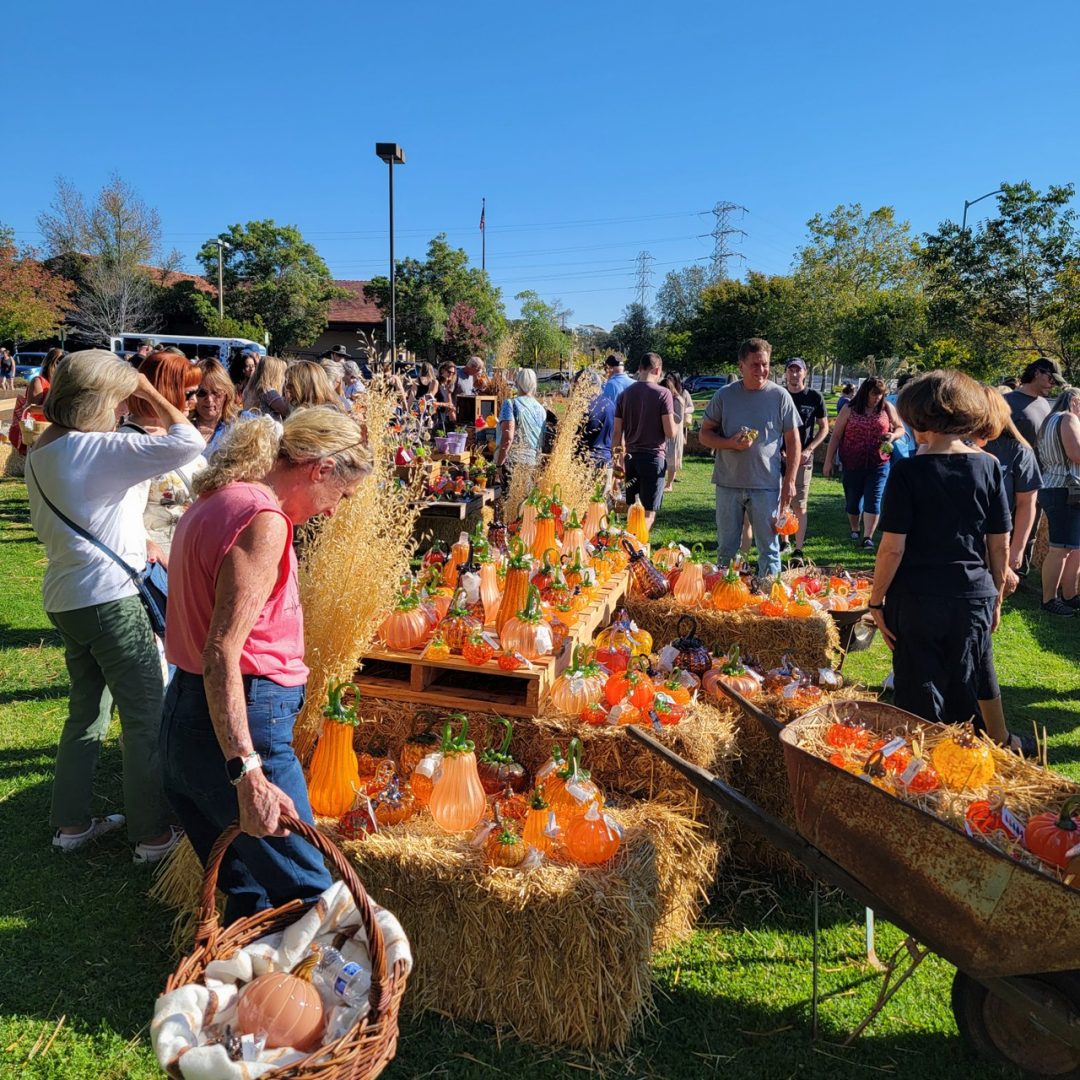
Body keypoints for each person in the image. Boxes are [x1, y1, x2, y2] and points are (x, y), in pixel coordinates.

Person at [161, 408, 373, 923]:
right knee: (316, 891)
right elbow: (222, 652)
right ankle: (347, 999)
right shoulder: (264, 520)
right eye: (340, 496)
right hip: (243, 722)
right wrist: (248, 770)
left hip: (188, 715)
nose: (332, 513)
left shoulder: (219, 497)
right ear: (319, 468)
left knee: (249, 886)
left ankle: (254, 997)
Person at [26, 350, 204, 860]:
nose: (125, 407)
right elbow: (188, 440)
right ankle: (152, 836)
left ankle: (71, 825)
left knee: (85, 713)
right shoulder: (95, 449)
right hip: (111, 599)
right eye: (120, 398)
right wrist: (149, 391)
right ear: (102, 398)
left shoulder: (43, 452)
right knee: (146, 714)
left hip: (67, 598)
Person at [867, 370, 1021, 744]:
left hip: (918, 598)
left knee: (918, 695)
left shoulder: (909, 471)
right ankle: (962, 767)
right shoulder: (988, 466)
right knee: (965, 688)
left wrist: (875, 600)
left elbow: (892, 547)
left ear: (918, 415)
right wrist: (996, 595)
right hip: (973, 595)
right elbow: (999, 544)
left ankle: (920, 774)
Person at [698, 339, 799, 576]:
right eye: (755, 365)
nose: (761, 370)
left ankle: (770, 598)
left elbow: (794, 441)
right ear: (741, 365)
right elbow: (704, 434)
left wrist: (791, 480)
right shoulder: (724, 396)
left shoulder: (780, 396)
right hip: (728, 484)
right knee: (726, 549)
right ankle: (727, 594)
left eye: (765, 364)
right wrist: (729, 443)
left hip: (766, 485)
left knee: (769, 549)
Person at [122, 349, 205, 557]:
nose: (194, 401)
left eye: (197, 392)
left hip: (191, 556)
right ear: (165, 392)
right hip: (159, 561)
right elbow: (126, 513)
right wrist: (148, 546)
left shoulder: (179, 434)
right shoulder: (133, 443)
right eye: (188, 394)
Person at [823, 376, 905, 550]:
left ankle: (868, 536)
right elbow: (836, 436)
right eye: (874, 394)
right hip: (852, 462)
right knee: (853, 501)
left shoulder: (886, 408)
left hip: (879, 462)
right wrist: (828, 461)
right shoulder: (849, 409)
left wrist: (893, 436)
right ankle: (855, 528)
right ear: (865, 392)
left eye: (881, 394)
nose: (877, 398)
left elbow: (900, 428)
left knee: (874, 499)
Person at [975, 388, 1041, 588]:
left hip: (996, 540)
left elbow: (1026, 503)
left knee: (1002, 588)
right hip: (959, 540)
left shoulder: (1019, 450)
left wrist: (1017, 549)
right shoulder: (956, 444)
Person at [612, 353, 678, 530]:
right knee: (648, 512)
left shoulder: (624, 394)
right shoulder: (663, 394)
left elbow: (617, 431)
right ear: (657, 369)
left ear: (640, 369)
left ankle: (626, 547)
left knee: (633, 509)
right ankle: (635, 548)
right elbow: (670, 432)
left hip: (631, 459)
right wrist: (678, 425)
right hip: (653, 458)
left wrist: (616, 458)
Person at [1035, 387, 1080, 616]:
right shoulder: (1068, 418)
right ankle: (1049, 599)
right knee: (1060, 549)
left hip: (1054, 486)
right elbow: (1077, 454)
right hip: (1065, 489)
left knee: (1072, 548)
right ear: (1073, 401)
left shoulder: (1048, 420)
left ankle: (1070, 595)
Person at [782, 359, 829, 560]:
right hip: (779, 457)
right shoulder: (779, 395)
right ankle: (783, 541)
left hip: (803, 458)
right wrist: (777, 451)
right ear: (785, 373)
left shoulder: (814, 397)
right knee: (782, 501)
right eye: (790, 370)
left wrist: (809, 449)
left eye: (798, 370)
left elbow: (824, 427)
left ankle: (798, 548)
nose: (794, 374)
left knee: (800, 504)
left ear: (805, 373)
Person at [8, 348, 65, 457]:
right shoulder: (39, 381)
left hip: (54, 432)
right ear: (51, 363)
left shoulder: (59, 383)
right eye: (59, 361)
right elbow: (31, 409)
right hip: (39, 433)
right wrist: (56, 411)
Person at [495, 367, 547, 486]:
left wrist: (499, 464)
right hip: (532, 462)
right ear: (534, 385)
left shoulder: (511, 404)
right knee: (525, 501)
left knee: (509, 501)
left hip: (513, 461)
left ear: (517, 383)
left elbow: (508, 437)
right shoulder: (541, 409)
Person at [1005, 358, 1065, 454]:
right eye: (1051, 380)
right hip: (1015, 467)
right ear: (1037, 373)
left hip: (1042, 467)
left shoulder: (1045, 403)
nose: (1053, 385)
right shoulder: (1005, 401)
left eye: (1056, 383)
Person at [193, 358, 240, 459]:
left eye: (216, 392)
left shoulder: (241, 422)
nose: (209, 399)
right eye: (201, 393)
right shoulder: (183, 426)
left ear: (227, 394)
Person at [575, 369, 614, 471]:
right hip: (606, 461)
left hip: (583, 462)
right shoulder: (610, 405)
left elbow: (573, 436)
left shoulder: (580, 406)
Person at [660, 373, 688, 492]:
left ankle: (669, 484)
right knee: (665, 457)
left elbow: (679, 418)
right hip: (665, 431)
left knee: (673, 457)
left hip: (675, 433)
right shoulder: (665, 399)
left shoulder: (678, 400)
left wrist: (667, 410)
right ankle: (662, 482)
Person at [434, 362, 458, 433]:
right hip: (437, 419)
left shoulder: (447, 385)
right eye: (449, 372)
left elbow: (449, 404)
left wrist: (452, 409)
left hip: (445, 419)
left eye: (453, 373)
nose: (451, 374)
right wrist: (445, 405)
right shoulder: (436, 383)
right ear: (442, 370)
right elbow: (430, 401)